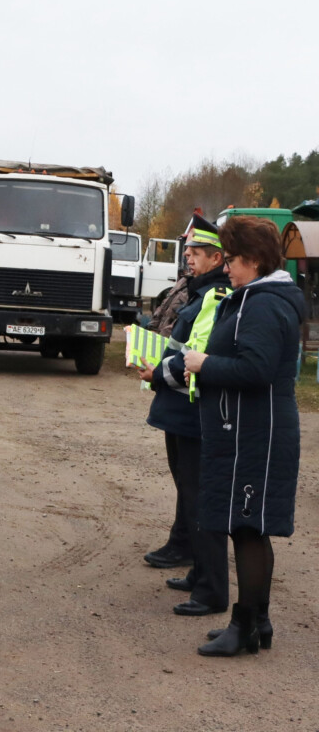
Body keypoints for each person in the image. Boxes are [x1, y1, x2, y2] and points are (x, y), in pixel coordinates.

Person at [184, 215, 306, 656]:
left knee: (249, 528)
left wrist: (203, 364)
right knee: (249, 527)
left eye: (232, 259)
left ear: (253, 261)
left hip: (258, 434)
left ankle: (245, 625)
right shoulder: (256, 297)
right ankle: (258, 621)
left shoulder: (264, 303)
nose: (227, 267)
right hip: (248, 431)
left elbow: (255, 370)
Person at [136, 217, 229, 618]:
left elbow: (196, 355)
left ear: (217, 258)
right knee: (187, 489)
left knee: (197, 493)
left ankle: (208, 580)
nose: (187, 259)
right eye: (187, 253)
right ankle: (197, 570)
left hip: (192, 410)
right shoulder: (198, 291)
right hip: (178, 406)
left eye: (194, 254)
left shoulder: (214, 296)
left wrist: (157, 373)